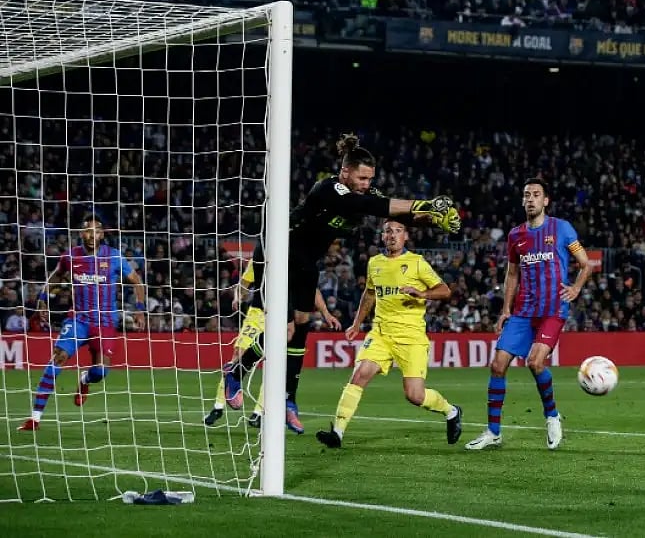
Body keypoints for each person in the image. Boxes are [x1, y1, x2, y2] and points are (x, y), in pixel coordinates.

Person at [221, 133, 460, 435]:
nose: (365, 183)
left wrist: (435, 219)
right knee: (287, 329)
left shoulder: (360, 195)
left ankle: (287, 401)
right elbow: (381, 205)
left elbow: (399, 215)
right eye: (361, 177)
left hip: (306, 262)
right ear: (345, 171)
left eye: (370, 178)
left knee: (302, 324)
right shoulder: (329, 189)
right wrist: (428, 204)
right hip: (277, 251)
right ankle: (236, 372)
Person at [465, 178, 592, 451]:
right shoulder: (515, 236)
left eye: (536, 194)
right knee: (498, 364)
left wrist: (576, 288)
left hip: (552, 309)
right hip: (524, 310)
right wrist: (506, 310)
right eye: (527, 195)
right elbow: (512, 274)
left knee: (535, 362)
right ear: (523, 201)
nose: (531, 199)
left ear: (546, 201)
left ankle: (552, 417)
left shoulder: (562, 229)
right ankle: (493, 432)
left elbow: (585, 264)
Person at [317, 219, 462, 448]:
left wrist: (421, 293)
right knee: (360, 374)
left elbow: (444, 290)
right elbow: (369, 294)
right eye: (388, 231)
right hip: (381, 333)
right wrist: (356, 324)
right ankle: (337, 432)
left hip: (411, 336)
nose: (392, 235)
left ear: (406, 237)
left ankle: (451, 411)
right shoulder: (375, 263)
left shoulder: (416, 263)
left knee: (415, 395)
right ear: (382, 237)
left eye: (398, 231)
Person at [19, 214, 146, 431]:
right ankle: (34, 418)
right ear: (81, 234)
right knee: (58, 358)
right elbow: (55, 277)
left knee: (101, 372)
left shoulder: (114, 257)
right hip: (78, 319)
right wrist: (42, 300)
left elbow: (137, 281)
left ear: (102, 234)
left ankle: (85, 379)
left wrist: (140, 311)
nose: (91, 235)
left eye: (96, 231)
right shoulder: (70, 257)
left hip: (105, 322)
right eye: (88, 230)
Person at [203, 243, 337, 428]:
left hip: (281, 317)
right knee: (238, 354)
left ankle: (259, 412)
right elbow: (244, 283)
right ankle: (218, 406)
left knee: (273, 365)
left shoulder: (296, 262)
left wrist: (326, 313)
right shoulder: (260, 259)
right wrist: (237, 297)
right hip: (257, 313)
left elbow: (311, 291)